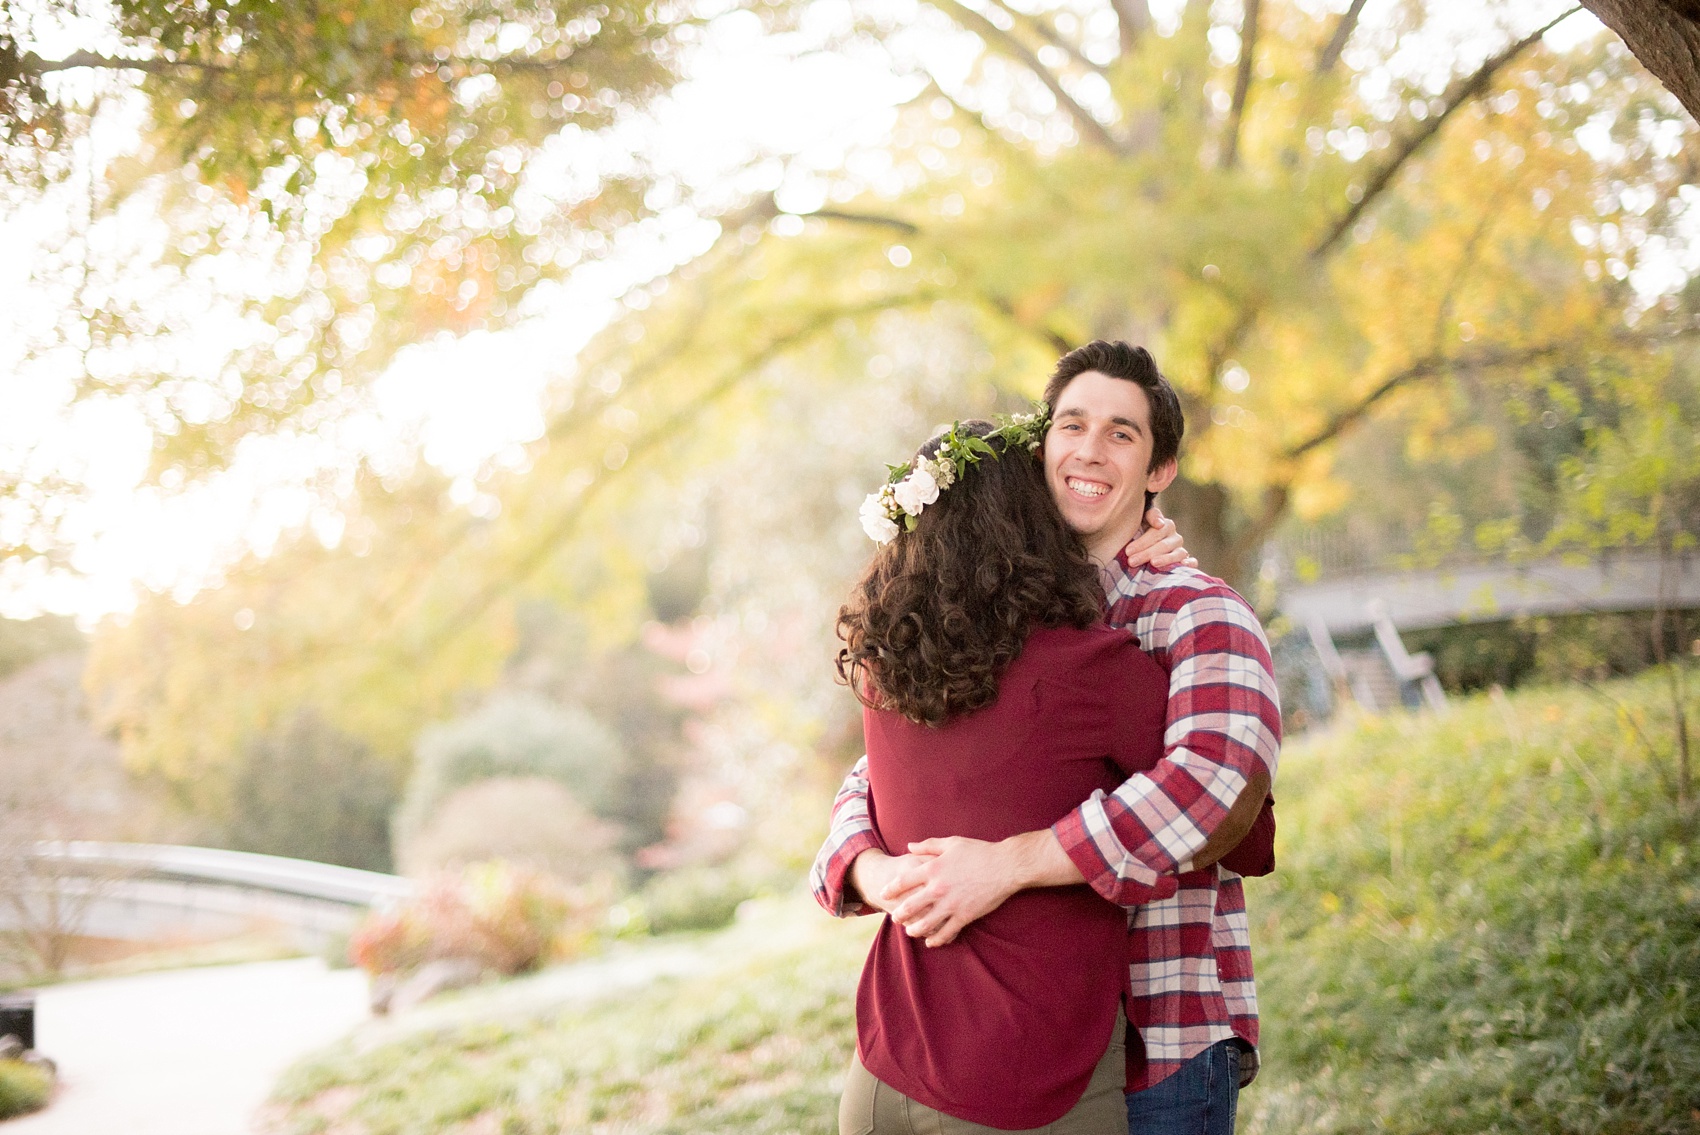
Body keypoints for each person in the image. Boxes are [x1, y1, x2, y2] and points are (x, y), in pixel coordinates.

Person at [814, 341, 1281, 1135]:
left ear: (1159, 470)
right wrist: (871, 866)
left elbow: (1222, 803)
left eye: (1122, 433)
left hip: (1158, 1036)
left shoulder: (1200, 614)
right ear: (1043, 451)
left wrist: (1007, 863)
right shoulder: (990, 624)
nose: (1090, 449)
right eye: (1072, 425)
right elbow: (884, 770)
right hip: (994, 1051)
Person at [836, 415, 1170, 1135]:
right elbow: (1234, 821)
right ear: (1033, 524)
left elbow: (870, 793)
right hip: (1026, 1085)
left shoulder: (885, 672)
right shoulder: (1091, 666)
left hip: (880, 1075)